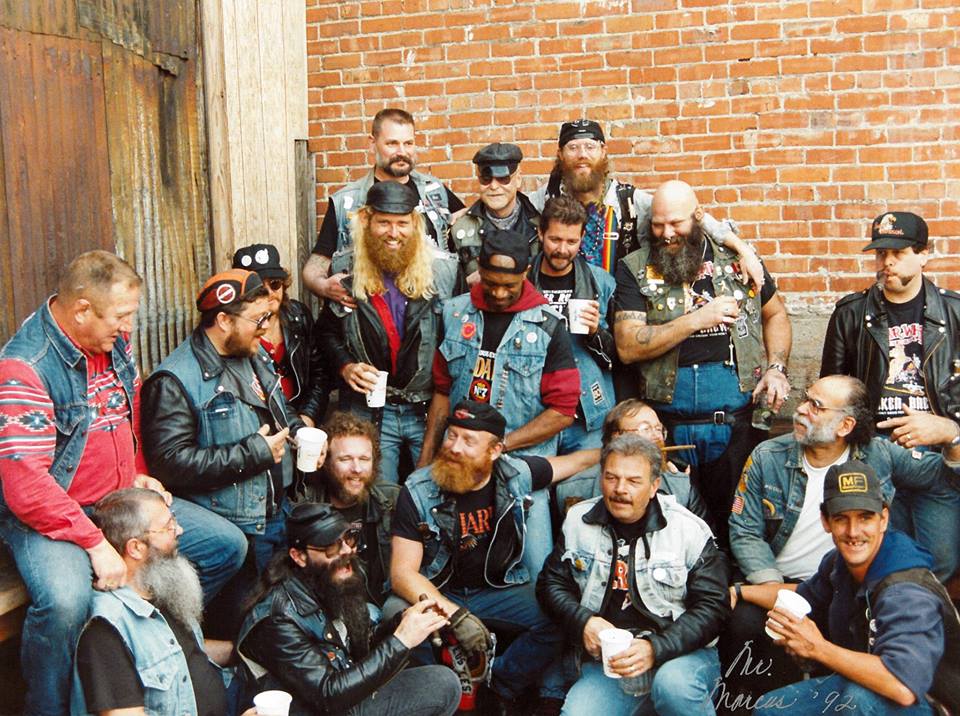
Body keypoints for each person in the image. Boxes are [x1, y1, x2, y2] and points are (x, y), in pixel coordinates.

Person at [0, 251, 245, 715]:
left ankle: (149, 648)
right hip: (51, 515)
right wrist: (94, 544)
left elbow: (123, 416)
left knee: (223, 545)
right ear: (81, 311)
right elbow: (25, 485)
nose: (129, 328)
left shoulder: (111, 342)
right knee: (66, 602)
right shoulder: (24, 368)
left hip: (114, 501)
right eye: (122, 316)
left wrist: (138, 474)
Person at [724, 374, 960, 703]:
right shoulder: (767, 455)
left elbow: (945, 476)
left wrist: (952, 434)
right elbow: (744, 530)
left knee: (857, 681)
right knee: (747, 626)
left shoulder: (879, 455)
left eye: (816, 406)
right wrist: (770, 585)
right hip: (784, 579)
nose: (801, 410)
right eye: (805, 399)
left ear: (845, 425)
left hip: (844, 585)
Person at [389, 401, 598, 713]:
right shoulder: (419, 488)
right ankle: (437, 694)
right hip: (436, 590)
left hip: (496, 589)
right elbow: (402, 573)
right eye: (451, 436)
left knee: (559, 618)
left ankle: (497, 686)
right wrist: (454, 614)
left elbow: (575, 462)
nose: (454, 448)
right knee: (395, 611)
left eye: (469, 441)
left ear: (496, 450)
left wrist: (625, 452)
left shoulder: (515, 475)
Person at [613, 179, 793, 537]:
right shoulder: (635, 266)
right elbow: (629, 346)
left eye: (676, 223)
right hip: (667, 432)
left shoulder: (737, 261)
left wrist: (776, 368)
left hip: (734, 428)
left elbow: (776, 315)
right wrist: (698, 318)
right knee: (667, 532)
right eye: (658, 224)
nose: (666, 233)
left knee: (738, 528)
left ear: (697, 216)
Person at [740, 460, 960, 714]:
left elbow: (903, 685)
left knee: (858, 700)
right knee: (770, 709)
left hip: (931, 701)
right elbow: (802, 596)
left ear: (884, 519)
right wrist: (738, 592)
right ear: (825, 521)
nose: (853, 532)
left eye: (865, 517)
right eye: (842, 519)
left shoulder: (905, 590)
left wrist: (818, 648)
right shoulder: (839, 563)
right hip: (866, 683)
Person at [420, 229, 581, 576]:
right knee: (451, 566)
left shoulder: (549, 326)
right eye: (491, 282)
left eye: (509, 285)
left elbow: (563, 412)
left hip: (520, 471)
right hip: (458, 463)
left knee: (536, 571)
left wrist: (501, 446)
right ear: (479, 268)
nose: (499, 292)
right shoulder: (452, 314)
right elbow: (442, 393)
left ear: (525, 273)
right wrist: (424, 462)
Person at [537, 434, 730, 716]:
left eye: (633, 481)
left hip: (680, 655)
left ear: (654, 486)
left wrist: (656, 648)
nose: (620, 489)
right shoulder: (578, 520)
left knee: (673, 686)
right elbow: (549, 584)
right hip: (612, 662)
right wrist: (582, 621)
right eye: (611, 478)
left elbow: (715, 606)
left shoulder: (688, 530)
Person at [821, 211, 960, 580]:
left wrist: (946, 428)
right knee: (875, 558)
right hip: (875, 451)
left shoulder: (956, 313)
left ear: (924, 254)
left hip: (938, 456)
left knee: (940, 561)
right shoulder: (851, 314)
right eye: (881, 253)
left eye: (898, 253)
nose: (887, 262)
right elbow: (831, 391)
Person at [142, 269, 303, 575]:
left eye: (268, 316)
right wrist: (253, 453)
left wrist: (299, 431)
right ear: (225, 320)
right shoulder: (173, 381)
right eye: (258, 319)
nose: (266, 328)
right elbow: (170, 464)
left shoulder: (252, 354)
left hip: (276, 515)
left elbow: (277, 409)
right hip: (238, 528)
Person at [238, 502, 461, 716]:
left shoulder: (331, 580)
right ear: (299, 556)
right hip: (317, 707)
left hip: (339, 699)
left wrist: (403, 623)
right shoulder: (277, 618)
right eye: (331, 546)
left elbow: (357, 651)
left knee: (441, 681)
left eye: (349, 539)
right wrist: (401, 640)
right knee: (441, 685)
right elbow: (328, 694)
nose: (346, 551)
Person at [317, 181, 458, 484]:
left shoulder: (444, 272)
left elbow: (457, 342)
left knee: (434, 496)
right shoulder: (346, 266)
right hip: (370, 411)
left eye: (402, 223)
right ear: (367, 220)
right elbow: (326, 331)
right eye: (384, 223)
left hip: (427, 409)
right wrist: (345, 365)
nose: (393, 233)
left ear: (415, 224)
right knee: (378, 502)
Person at [529, 119, 764, 279]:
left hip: (621, 308)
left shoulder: (629, 201)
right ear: (560, 154)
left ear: (604, 151)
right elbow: (508, 211)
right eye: (573, 147)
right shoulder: (544, 200)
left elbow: (690, 217)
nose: (582, 155)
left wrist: (743, 250)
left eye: (590, 147)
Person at [73, 488, 231, 716]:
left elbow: (183, 654)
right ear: (136, 548)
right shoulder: (106, 630)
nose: (179, 530)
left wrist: (242, 649)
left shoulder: (159, 586)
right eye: (168, 527)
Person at [302, 108, 464, 308]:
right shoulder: (347, 201)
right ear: (372, 143)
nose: (402, 152)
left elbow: (468, 228)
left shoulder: (434, 191)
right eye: (392, 143)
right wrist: (325, 287)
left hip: (432, 315)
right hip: (373, 316)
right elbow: (314, 268)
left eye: (408, 143)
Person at [529, 195, 616, 453]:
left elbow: (619, 358)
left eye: (571, 241)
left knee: (581, 491)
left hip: (587, 412)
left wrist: (594, 333)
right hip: (535, 410)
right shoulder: (521, 281)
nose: (563, 249)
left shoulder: (601, 282)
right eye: (555, 239)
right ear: (540, 233)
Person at [298, 411, 398, 606]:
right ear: (325, 462)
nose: (357, 469)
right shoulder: (306, 504)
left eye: (364, 459)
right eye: (345, 459)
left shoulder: (391, 501)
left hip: (375, 603)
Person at [554, 398, 709, 523]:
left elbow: (708, 548)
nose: (657, 437)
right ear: (617, 437)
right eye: (646, 429)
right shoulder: (573, 490)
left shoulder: (680, 486)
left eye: (659, 429)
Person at [232, 243, 327, 426]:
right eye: (258, 288)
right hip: (260, 424)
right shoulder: (237, 332)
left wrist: (307, 418)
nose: (269, 293)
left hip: (301, 416)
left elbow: (320, 374)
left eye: (274, 284)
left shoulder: (298, 316)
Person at [448, 142, 541, 283]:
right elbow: (452, 287)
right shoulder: (461, 229)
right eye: (486, 179)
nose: (494, 186)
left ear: (518, 179)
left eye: (503, 179)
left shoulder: (540, 226)